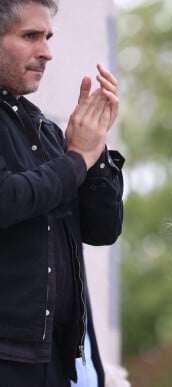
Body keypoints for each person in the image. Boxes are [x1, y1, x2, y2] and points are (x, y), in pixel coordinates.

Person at [0, 1, 124, 386]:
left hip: (54, 358)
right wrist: (76, 161)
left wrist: (96, 149)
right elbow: (7, 199)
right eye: (30, 36)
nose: (47, 52)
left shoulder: (45, 129)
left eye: (48, 37)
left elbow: (102, 229)